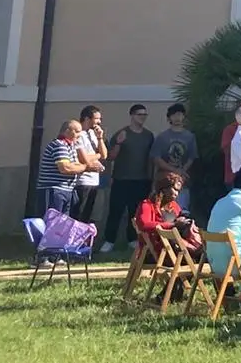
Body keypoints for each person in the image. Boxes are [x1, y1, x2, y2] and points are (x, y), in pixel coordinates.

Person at [102, 104, 155, 253]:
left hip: (141, 180)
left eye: (144, 115)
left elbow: (150, 158)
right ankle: (109, 240)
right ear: (131, 115)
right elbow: (110, 157)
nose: (142, 117)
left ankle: (132, 239)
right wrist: (119, 142)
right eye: (139, 114)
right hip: (121, 179)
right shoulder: (122, 133)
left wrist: (151, 179)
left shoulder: (148, 135)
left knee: (136, 213)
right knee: (116, 211)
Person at [138, 170, 202, 257]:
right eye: (175, 189)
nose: (176, 194)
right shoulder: (147, 205)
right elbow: (144, 225)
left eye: (178, 191)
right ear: (164, 188)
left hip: (176, 249)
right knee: (199, 253)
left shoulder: (174, 206)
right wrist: (172, 224)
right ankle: (198, 252)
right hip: (158, 252)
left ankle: (199, 251)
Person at [36, 118, 88, 217]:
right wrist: (84, 167)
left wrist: (79, 166)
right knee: (51, 221)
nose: (79, 135)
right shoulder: (59, 145)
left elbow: (75, 165)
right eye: (77, 132)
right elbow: (65, 168)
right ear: (67, 131)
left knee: (62, 223)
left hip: (67, 190)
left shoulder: (70, 147)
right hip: (54, 189)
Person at [152, 104, 198, 208]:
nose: (177, 118)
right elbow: (157, 158)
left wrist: (182, 171)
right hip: (165, 181)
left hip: (183, 182)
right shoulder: (162, 137)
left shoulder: (190, 137)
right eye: (174, 115)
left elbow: (192, 157)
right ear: (169, 118)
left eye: (180, 115)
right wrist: (175, 170)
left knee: (182, 210)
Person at [72, 105, 108, 229]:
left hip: (94, 181)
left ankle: (82, 241)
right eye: (97, 119)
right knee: (78, 214)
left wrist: (100, 138)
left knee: (87, 214)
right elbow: (84, 160)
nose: (99, 122)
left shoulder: (93, 134)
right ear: (87, 118)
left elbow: (104, 155)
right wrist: (96, 155)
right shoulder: (79, 134)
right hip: (82, 181)